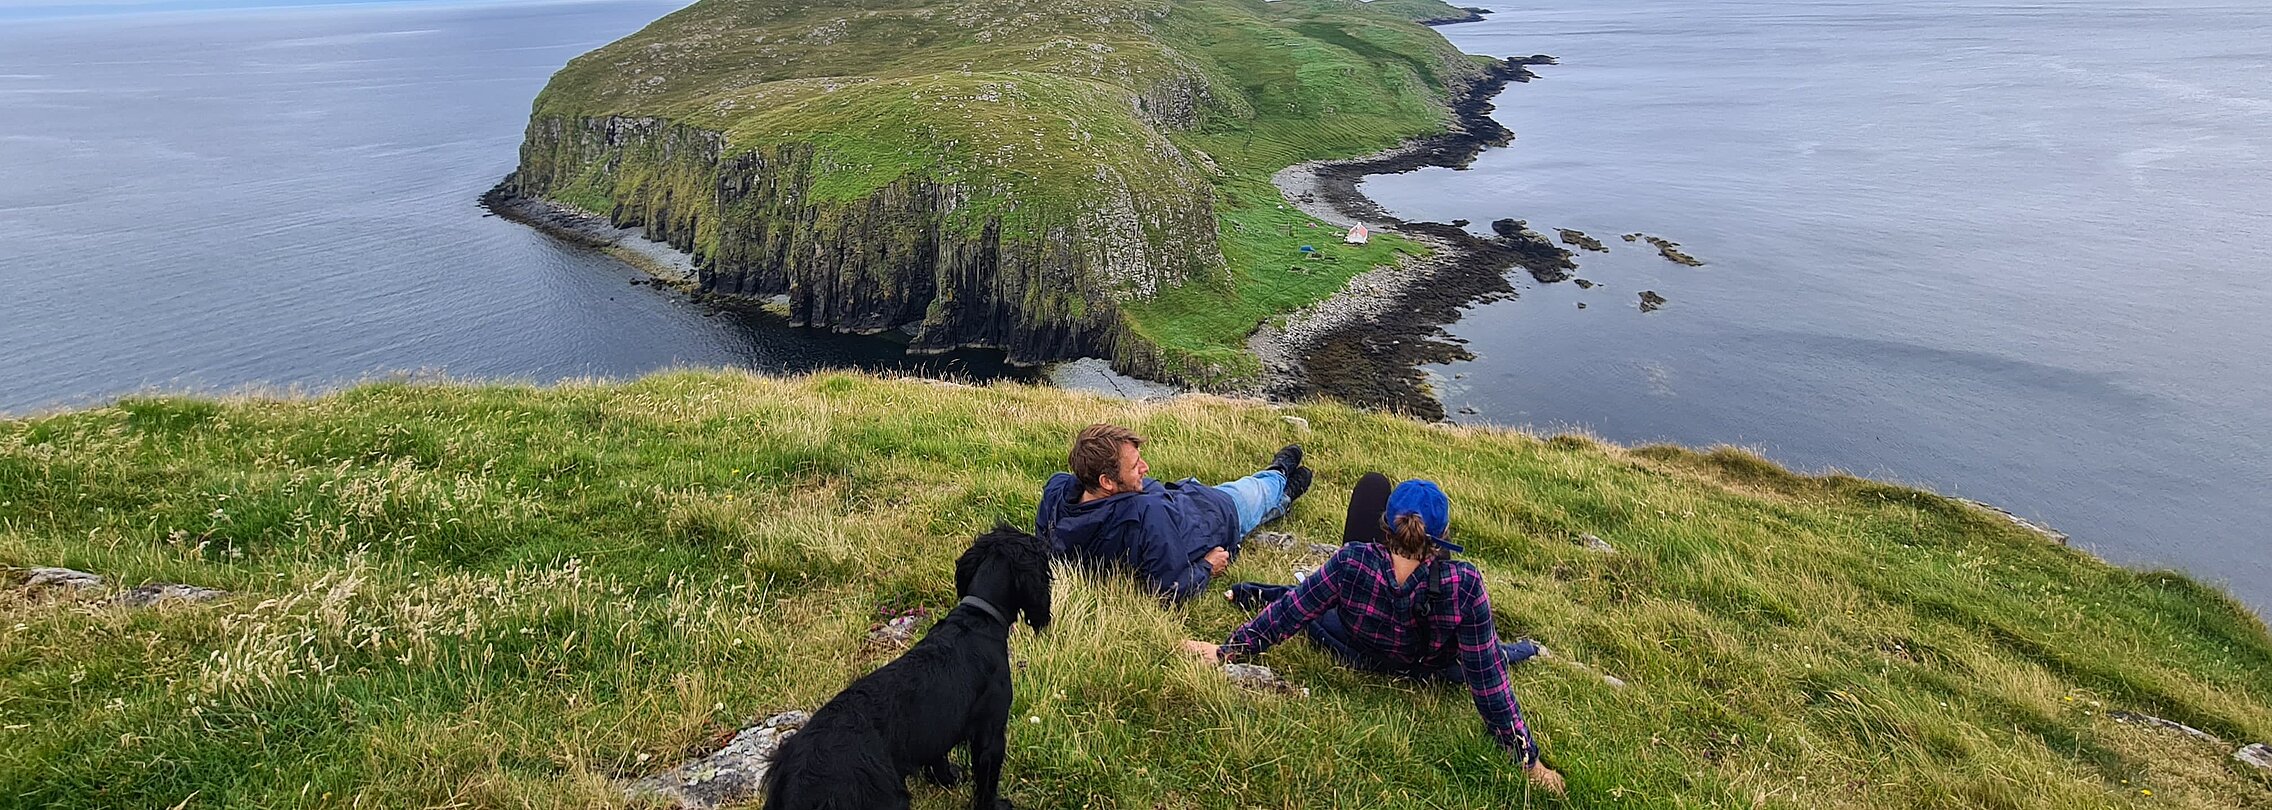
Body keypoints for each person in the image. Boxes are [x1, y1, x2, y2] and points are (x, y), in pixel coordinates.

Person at [1179, 477, 1567, 796]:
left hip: (1354, 647)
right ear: (1443, 535)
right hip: (1426, 670)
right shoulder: (1465, 584)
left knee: (1313, 601)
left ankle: (1256, 591)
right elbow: (1489, 680)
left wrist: (1226, 650)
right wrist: (1530, 763)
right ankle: (1528, 649)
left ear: (1387, 524)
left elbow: (1292, 613)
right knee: (1491, 654)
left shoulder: (1352, 559)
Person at [1035, 423, 1313, 602]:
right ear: (1107, 482)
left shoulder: (1059, 490)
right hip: (1220, 513)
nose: (1144, 467)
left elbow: (1047, 543)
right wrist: (1207, 566)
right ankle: (1279, 476)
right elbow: (1169, 589)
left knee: (1255, 496)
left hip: (1185, 499)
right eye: (1134, 466)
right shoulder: (1147, 515)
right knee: (1258, 492)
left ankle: (1284, 494)